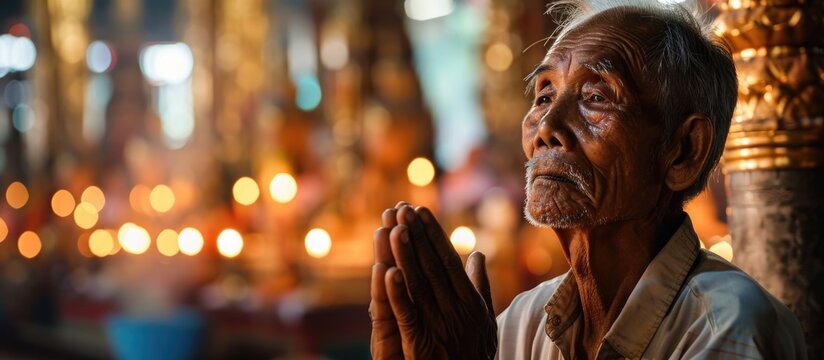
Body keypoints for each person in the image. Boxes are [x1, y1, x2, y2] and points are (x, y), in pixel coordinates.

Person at [368, 0, 807, 359]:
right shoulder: (524, 322)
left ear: (683, 151)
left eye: (596, 97)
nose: (546, 127)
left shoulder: (729, 327)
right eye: (543, 96)